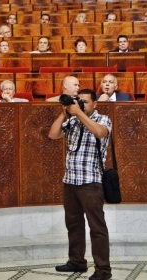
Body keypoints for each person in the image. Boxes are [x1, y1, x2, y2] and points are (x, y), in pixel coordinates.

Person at [49, 88, 113, 280]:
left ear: (95, 103)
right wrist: (65, 112)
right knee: (74, 224)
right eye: (79, 101)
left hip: (91, 182)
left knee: (97, 228)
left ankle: (103, 270)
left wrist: (79, 114)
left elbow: (100, 133)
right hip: (70, 181)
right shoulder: (73, 120)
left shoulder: (103, 119)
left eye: (85, 102)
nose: (81, 105)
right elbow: (53, 135)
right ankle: (77, 261)